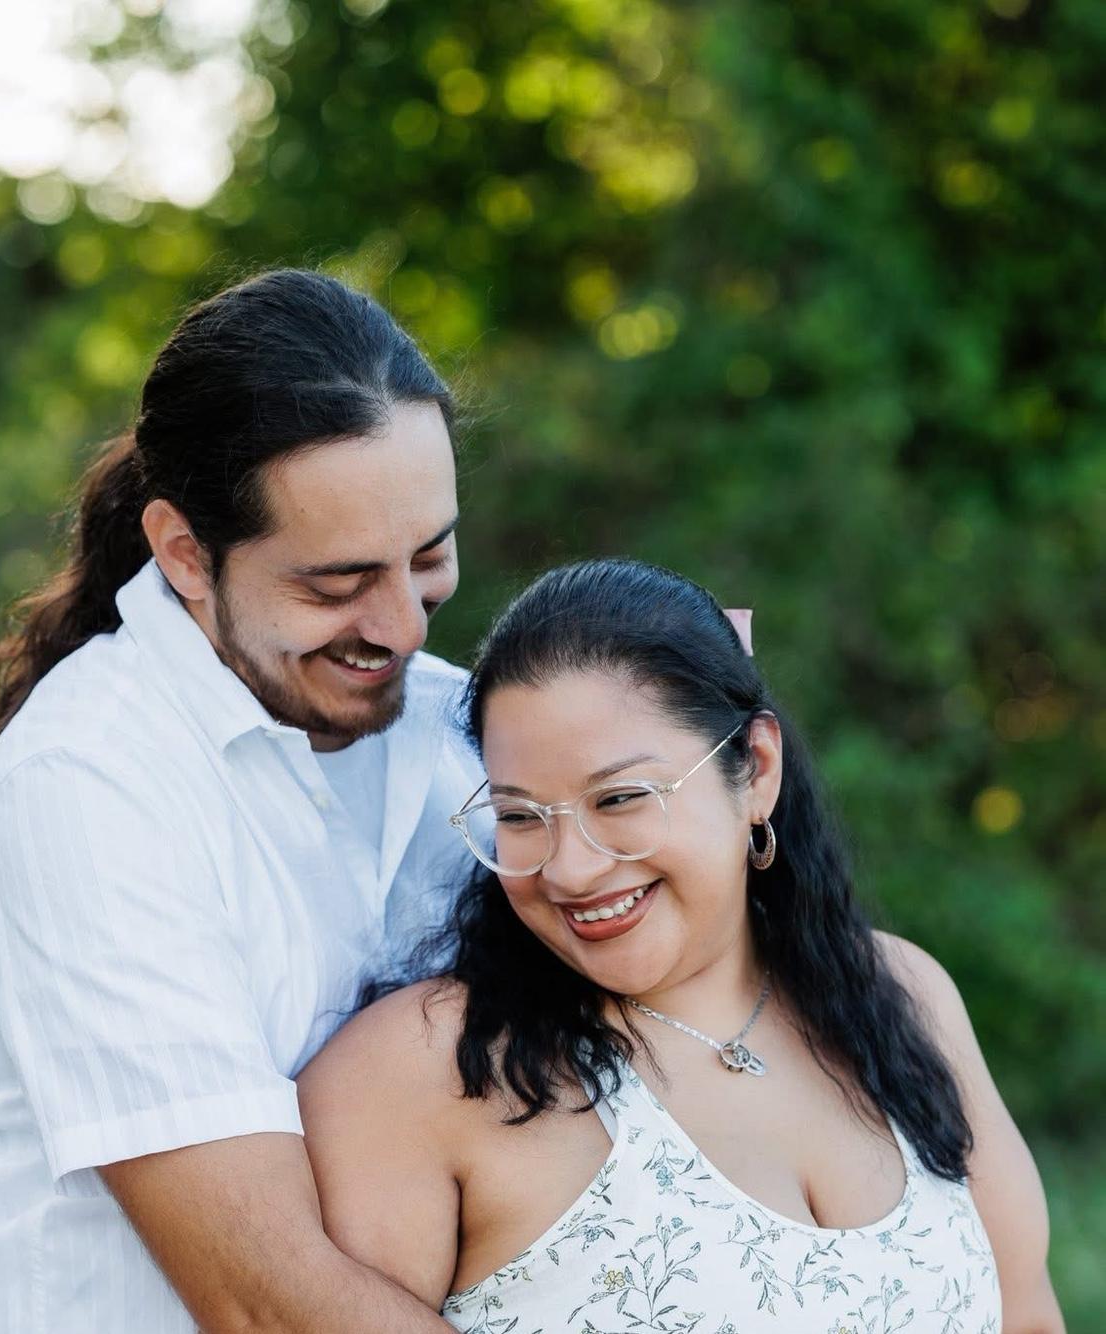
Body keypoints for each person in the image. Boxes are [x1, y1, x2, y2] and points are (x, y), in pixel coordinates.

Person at [0, 269, 484, 1332]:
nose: (405, 626)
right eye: (336, 582)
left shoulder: (462, 727)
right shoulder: (84, 785)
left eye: (429, 556)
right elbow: (260, 1298)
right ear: (185, 554)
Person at [298, 559, 1065, 1333]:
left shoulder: (903, 993)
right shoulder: (424, 1069)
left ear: (757, 770)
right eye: (522, 816)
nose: (569, 869)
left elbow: (1027, 1316)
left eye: (620, 798)